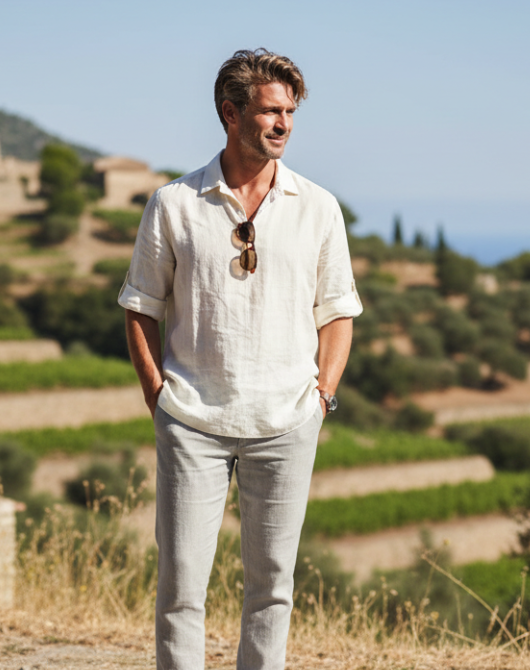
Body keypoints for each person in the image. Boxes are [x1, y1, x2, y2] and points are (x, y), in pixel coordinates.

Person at [118, 48, 362, 669]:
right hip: (192, 422)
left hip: (286, 424)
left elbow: (337, 313)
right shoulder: (172, 204)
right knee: (180, 588)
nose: (282, 124)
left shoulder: (318, 207)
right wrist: (159, 397)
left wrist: (320, 399)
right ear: (230, 113)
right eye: (269, 111)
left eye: (289, 113)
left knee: (271, 590)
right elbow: (140, 305)